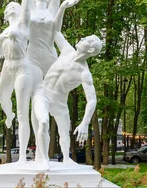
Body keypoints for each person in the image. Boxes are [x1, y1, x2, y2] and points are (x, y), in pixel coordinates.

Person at [32, 33, 103, 168]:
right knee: (43, 122)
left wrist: (84, 123)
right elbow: (56, 31)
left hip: (59, 102)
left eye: (86, 40)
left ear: (90, 50)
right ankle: (44, 159)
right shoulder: (67, 50)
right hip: (42, 94)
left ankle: (66, 158)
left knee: (64, 132)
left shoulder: (84, 73)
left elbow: (92, 100)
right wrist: (61, 10)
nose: (82, 39)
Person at [0, 0, 42, 165]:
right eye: (10, 6)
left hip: (22, 67)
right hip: (7, 67)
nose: (14, 7)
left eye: (16, 6)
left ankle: (23, 156)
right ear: (6, 13)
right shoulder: (5, 29)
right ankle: (9, 115)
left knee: (23, 112)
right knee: (3, 99)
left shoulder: (23, 24)